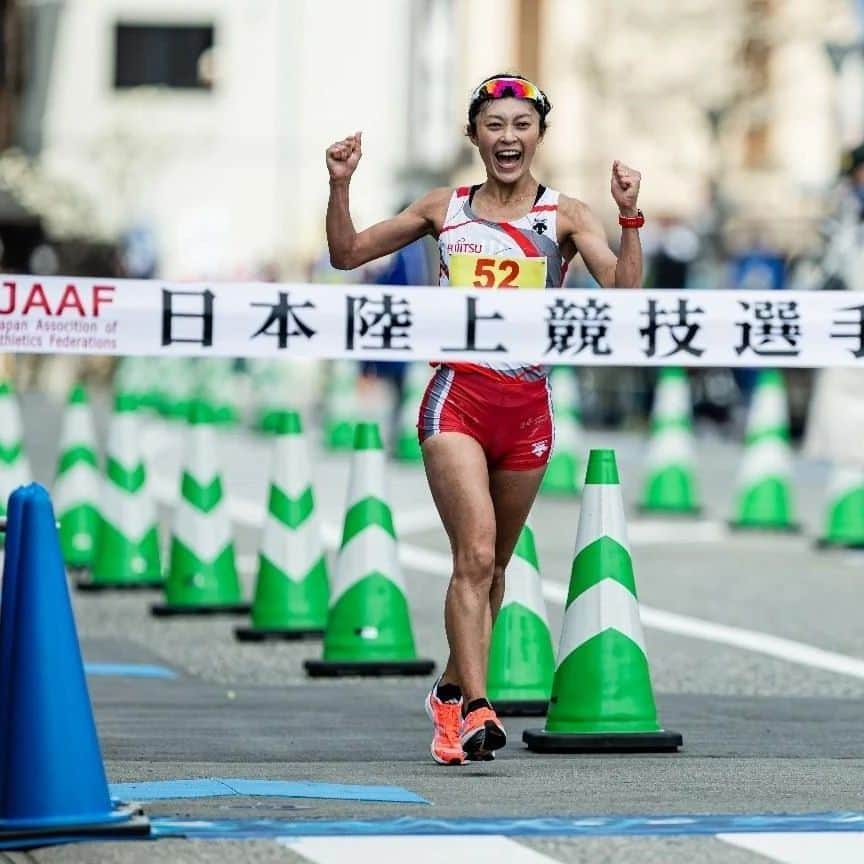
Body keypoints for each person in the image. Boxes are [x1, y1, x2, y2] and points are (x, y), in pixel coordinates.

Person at [325, 73, 644, 765]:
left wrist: (629, 217)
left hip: (527, 406)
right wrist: (341, 183)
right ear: (474, 136)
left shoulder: (566, 215)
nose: (508, 138)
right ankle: (474, 707)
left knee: (494, 568)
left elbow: (622, 293)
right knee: (471, 555)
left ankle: (448, 691)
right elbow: (347, 254)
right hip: (457, 398)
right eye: (494, 125)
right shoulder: (446, 208)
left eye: (520, 125)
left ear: (538, 136)